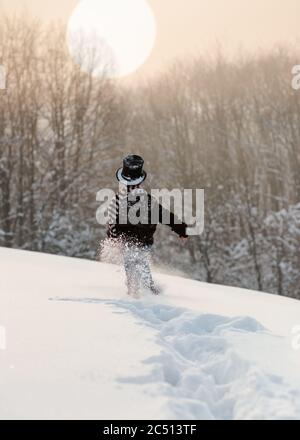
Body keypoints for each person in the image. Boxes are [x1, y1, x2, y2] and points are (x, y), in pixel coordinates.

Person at [106, 154, 188, 297]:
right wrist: (182, 230)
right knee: (140, 264)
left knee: (133, 266)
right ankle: (146, 291)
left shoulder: (117, 200)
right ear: (140, 181)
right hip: (142, 242)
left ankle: (139, 292)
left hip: (127, 243)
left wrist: (113, 239)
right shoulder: (149, 201)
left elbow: (112, 226)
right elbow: (165, 216)